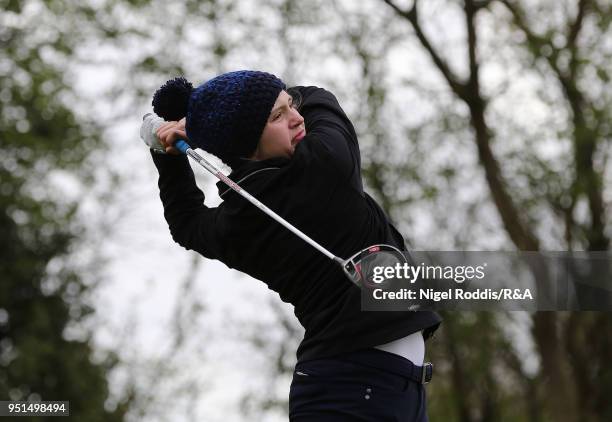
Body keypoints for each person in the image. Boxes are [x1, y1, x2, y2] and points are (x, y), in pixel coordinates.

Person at [147, 70, 441, 421]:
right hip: (352, 390)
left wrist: (168, 155)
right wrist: (195, 122)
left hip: (379, 388)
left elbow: (186, 223)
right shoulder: (326, 162)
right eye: (277, 116)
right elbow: (319, 97)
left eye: (289, 104)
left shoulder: (237, 220)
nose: (296, 117)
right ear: (246, 143)